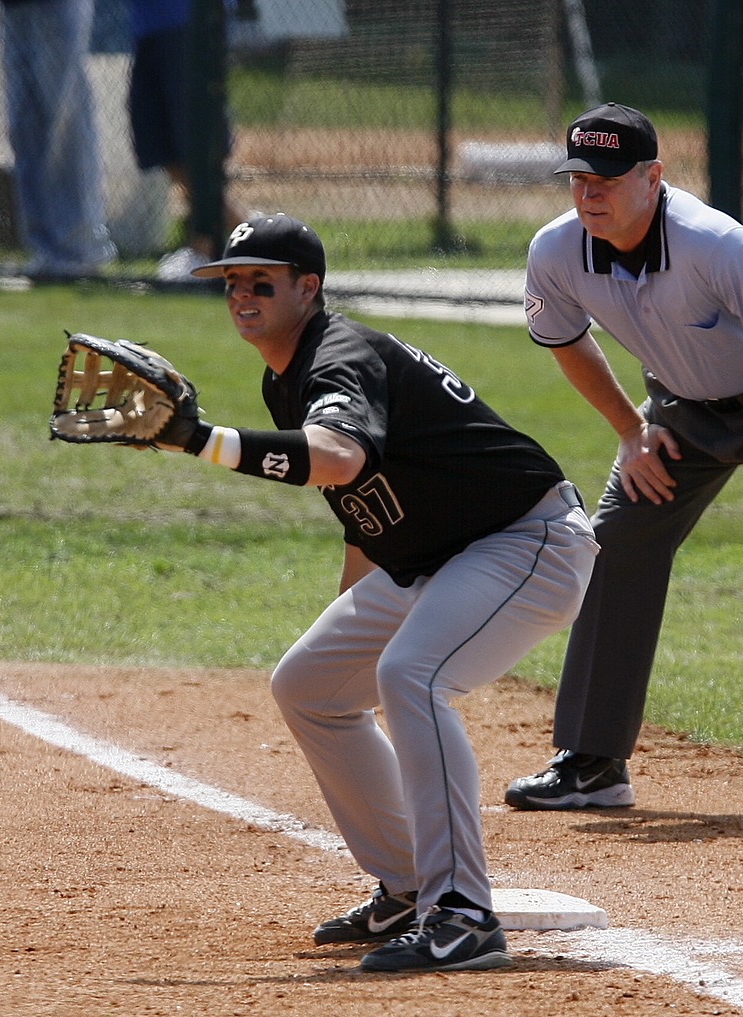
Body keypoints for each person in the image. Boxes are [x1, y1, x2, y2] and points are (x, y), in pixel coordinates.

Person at [150, 213, 598, 970]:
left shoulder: (338, 356)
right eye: (231, 283)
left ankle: (462, 915)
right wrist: (347, 619)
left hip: (529, 540)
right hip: (442, 559)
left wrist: (204, 440)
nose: (242, 297)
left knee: (412, 677)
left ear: (308, 288)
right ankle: (407, 884)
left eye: (262, 281)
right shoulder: (285, 374)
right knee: (311, 683)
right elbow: (368, 516)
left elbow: (339, 458)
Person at [505, 104, 743, 819]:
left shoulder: (716, 246)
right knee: (618, 542)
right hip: (682, 411)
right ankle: (593, 762)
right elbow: (566, 341)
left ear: (652, 178)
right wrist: (628, 432)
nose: (590, 193)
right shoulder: (556, 250)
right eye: (579, 177)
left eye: (607, 178)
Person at [127, 0, 249, 281]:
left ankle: (204, 250)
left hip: (191, 20)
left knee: (196, 148)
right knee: (161, 148)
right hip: (147, 27)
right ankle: (252, 232)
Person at [0, 0, 117, 277]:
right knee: (23, 128)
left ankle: (80, 251)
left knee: (63, 126)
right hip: (14, 8)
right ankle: (45, 251)